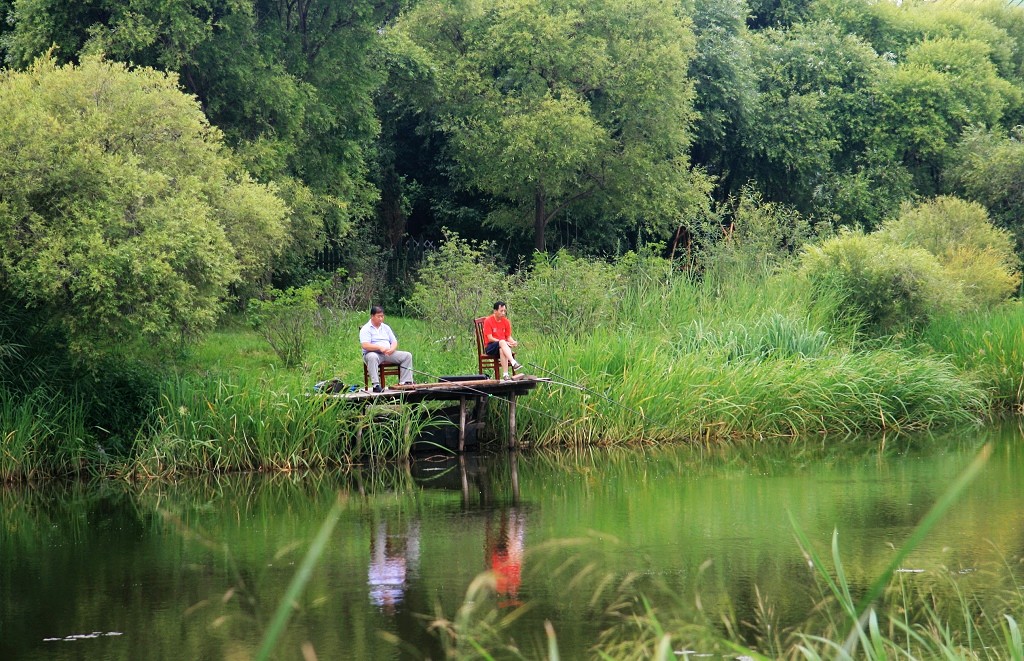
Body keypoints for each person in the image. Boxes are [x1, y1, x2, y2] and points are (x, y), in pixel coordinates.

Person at [360, 305, 413, 392]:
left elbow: (394, 341)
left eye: (382, 316)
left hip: (387, 353)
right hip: (373, 353)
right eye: (378, 316)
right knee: (372, 357)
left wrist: (392, 349)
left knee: (407, 356)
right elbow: (365, 345)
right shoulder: (366, 329)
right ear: (372, 316)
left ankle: (405, 382)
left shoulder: (386, 327)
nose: (381, 319)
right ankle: (376, 385)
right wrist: (379, 347)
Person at [483, 301, 521, 382]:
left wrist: (513, 341)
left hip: (502, 347)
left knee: (502, 349)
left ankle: (505, 374)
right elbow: (490, 338)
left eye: (504, 311)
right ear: (495, 311)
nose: (503, 313)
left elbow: (508, 336)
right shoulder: (488, 321)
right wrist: (503, 342)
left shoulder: (506, 321)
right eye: (501, 311)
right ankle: (513, 362)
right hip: (490, 347)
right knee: (502, 342)